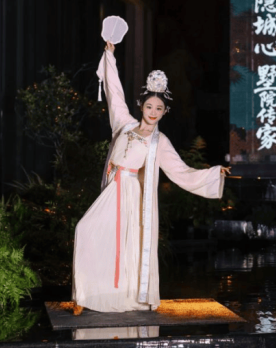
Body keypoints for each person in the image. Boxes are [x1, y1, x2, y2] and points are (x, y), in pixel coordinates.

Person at [71, 40, 230, 314]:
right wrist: (109, 56)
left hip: (132, 195)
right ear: (141, 106)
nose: (153, 112)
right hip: (113, 189)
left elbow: (181, 172)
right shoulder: (124, 124)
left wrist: (214, 172)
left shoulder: (160, 142)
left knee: (127, 247)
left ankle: (118, 296)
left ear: (164, 112)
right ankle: (84, 294)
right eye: (149, 107)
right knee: (86, 230)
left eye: (159, 109)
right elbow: (114, 93)